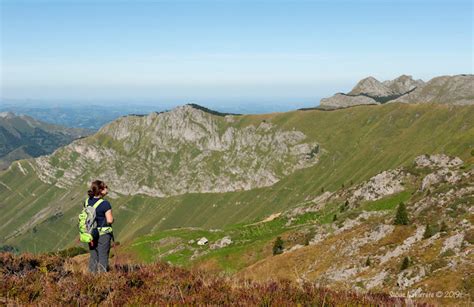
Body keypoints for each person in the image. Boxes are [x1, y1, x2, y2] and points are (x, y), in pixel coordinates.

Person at [86, 180, 114, 273]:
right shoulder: (105, 204)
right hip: (103, 234)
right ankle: (102, 280)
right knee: (103, 257)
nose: (107, 188)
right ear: (101, 190)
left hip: (91, 233)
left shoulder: (87, 201)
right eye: (106, 187)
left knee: (93, 256)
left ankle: (91, 279)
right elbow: (109, 220)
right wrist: (113, 220)